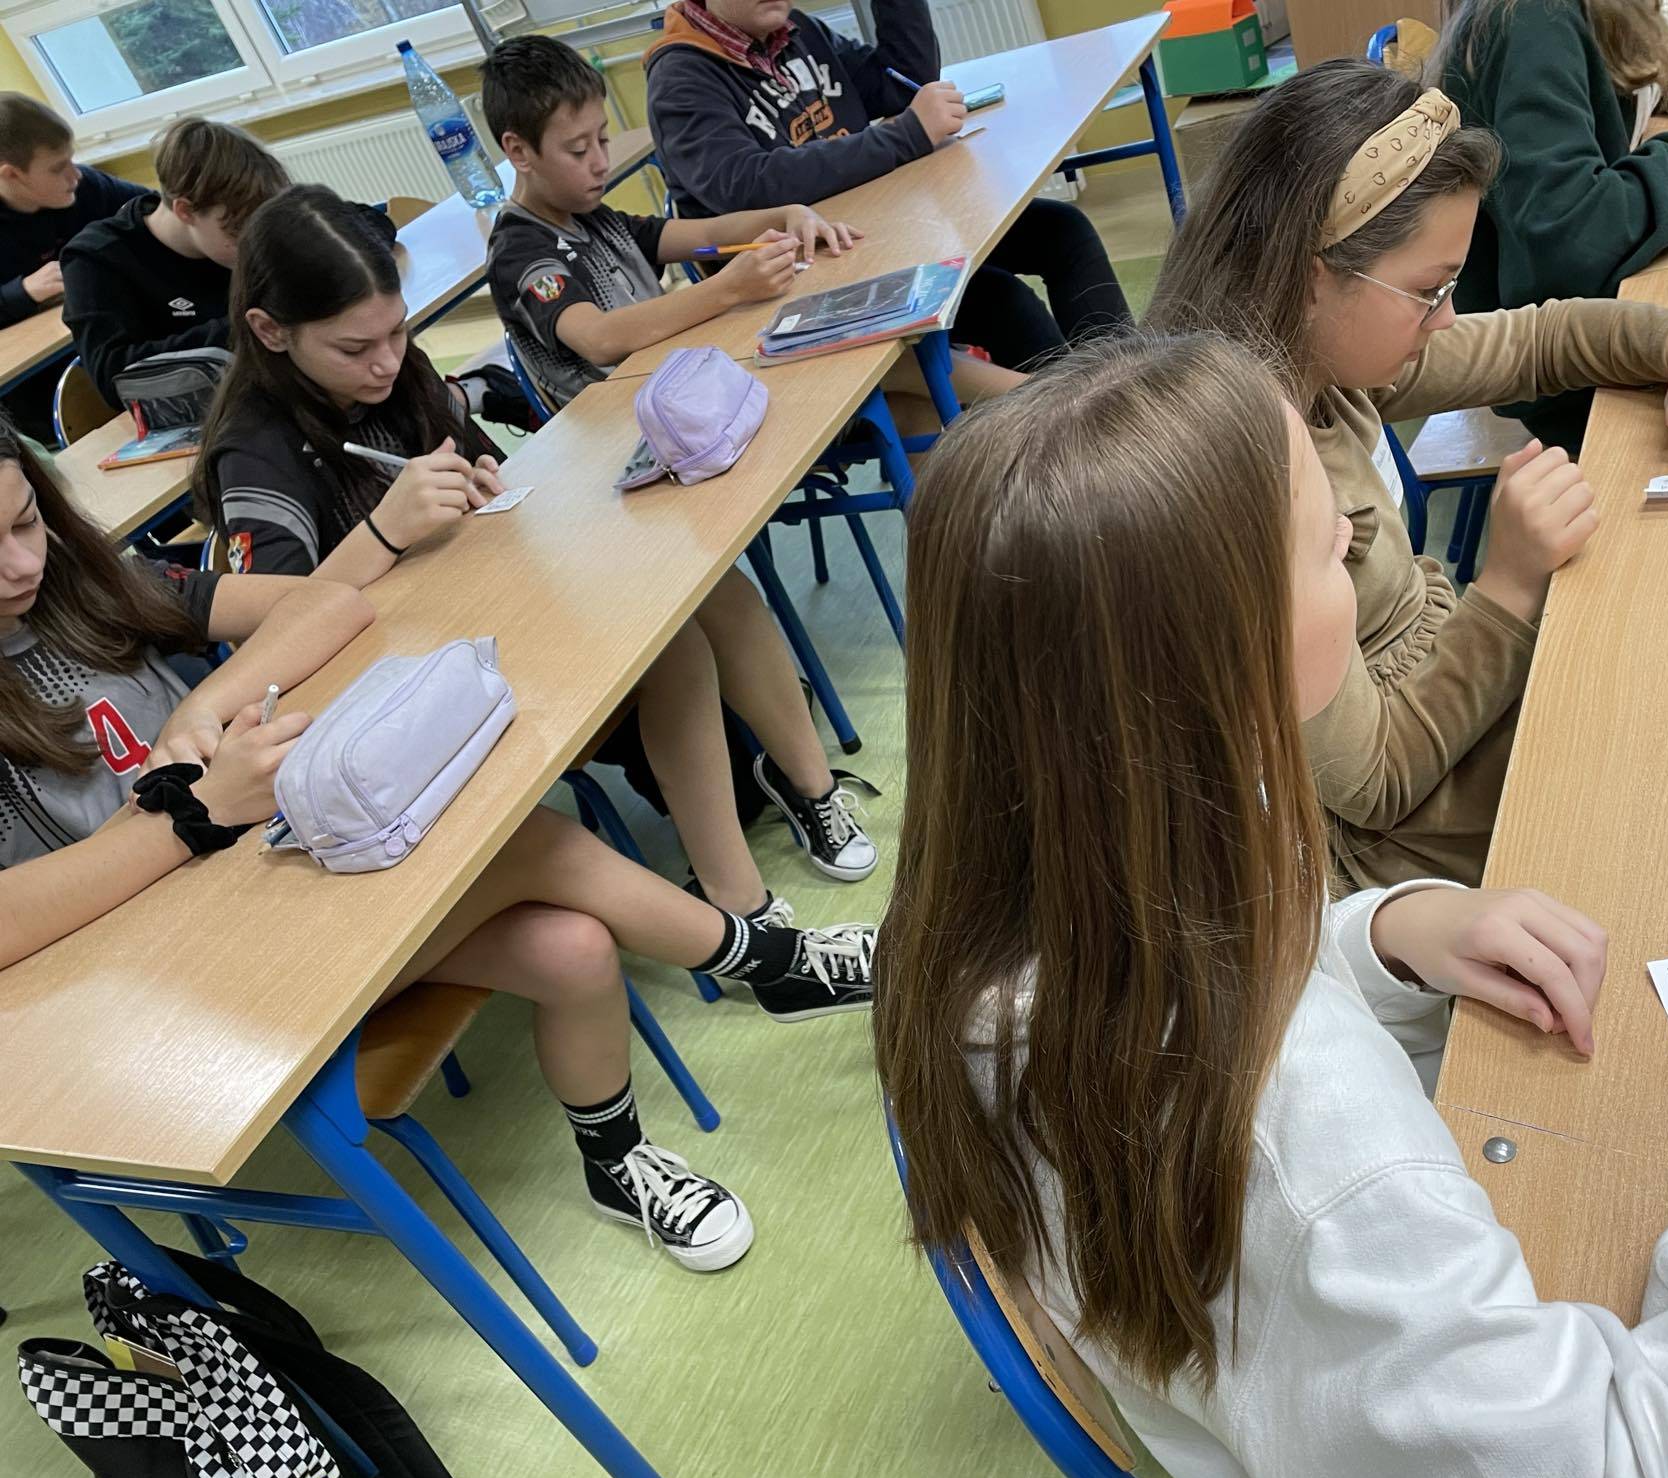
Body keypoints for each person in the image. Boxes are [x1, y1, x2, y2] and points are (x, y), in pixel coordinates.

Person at [873, 329, 1668, 1478]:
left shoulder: (1006, 903)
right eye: (1332, 549)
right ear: (1229, 655)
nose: (1356, 554)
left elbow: (1167, 969)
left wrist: (1379, 938)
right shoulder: (1313, 1154)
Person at [0, 421, 875, 1270]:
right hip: (166, 1001)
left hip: (252, 895)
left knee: (572, 949)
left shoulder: (86, 584)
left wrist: (200, 707)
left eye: (26, 521)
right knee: (529, 847)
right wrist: (190, 817)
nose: (22, 566)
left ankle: (617, 1162)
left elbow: (329, 604)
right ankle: (773, 961)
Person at [1147, 61, 1668, 892]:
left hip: (1442, 711)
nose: (1447, 317)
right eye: (1429, 290)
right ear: (1310, 279)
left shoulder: (1315, 350)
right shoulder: (1252, 483)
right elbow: (1376, 784)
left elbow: (1532, 342)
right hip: (1398, 834)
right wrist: (1510, 583)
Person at [197, 185, 878, 921]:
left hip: (492, 605)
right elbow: (275, 634)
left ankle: (810, 788)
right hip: (406, 697)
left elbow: (481, 471)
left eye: (398, 331)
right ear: (270, 331)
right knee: (673, 651)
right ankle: (739, 906)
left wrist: (482, 477)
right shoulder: (254, 453)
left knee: (708, 580)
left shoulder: (396, 374)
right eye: (355, 349)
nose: (387, 362)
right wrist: (384, 533)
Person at [642, 0, 1130, 373]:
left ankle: (1130, 395)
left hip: (878, 233)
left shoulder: (794, 31)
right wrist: (906, 135)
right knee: (1000, 301)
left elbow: (900, 85)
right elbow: (749, 185)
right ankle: (1086, 444)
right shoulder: (680, 77)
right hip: (801, 287)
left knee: (1061, 230)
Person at [1433, 0, 1668, 449]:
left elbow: (1588, 81)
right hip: (1565, 375)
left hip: (1585, 330)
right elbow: (1572, 238)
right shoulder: (1534, 20)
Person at [480, 33, 857, 409]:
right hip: (628, 424)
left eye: (603, 140)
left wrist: (789, 215)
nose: (600, 163)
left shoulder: (590, 218)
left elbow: (707, 235)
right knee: (836, 391)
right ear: (519, 151)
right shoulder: (520, 252)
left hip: (685, 391)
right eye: (578, 150)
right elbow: (599, 338)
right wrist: (730, 287)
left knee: (848, 371)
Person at [60, 118, 394, 404]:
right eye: (239, 233)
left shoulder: (250, 213)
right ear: (186, 211)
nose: (257, 245)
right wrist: (256, 324)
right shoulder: (95, 260)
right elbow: (115, 376)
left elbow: (368, 220)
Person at [0, 93, 144, 327]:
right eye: (58, 168)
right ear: (12, 175)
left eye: (71, 159)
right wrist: (23, 292)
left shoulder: (85, 185)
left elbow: (158, 209)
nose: (76, 174)